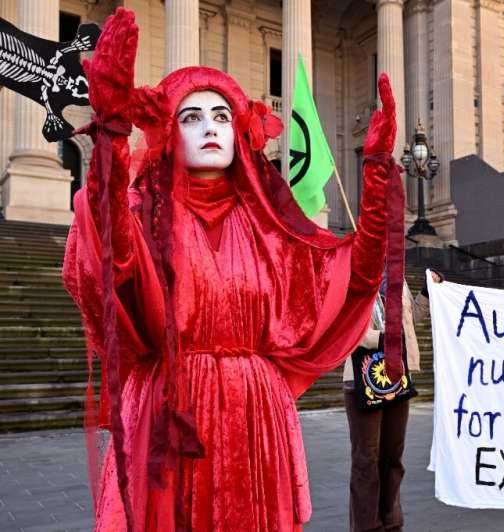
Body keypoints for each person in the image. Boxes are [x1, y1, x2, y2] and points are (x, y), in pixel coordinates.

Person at [62, 9, 403, 531]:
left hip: (255, 419)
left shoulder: (269, 227)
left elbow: (352, 278)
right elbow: (109, 256)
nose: (210, 128)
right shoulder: (144, 214)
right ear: (167, 133)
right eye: (191, 116)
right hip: (170, 414)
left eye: (221, 116)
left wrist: (377, 176)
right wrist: (108, 135)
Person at [343, 270, 442, 531]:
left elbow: (408, 322)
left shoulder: (397, 277)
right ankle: (367, 527)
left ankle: (392, 523)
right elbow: (348, 325)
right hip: (363, 376)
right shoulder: (354, 271)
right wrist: (384, 339)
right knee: (367, 460)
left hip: (398, 375)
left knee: (393, 458)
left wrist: (426, 296)